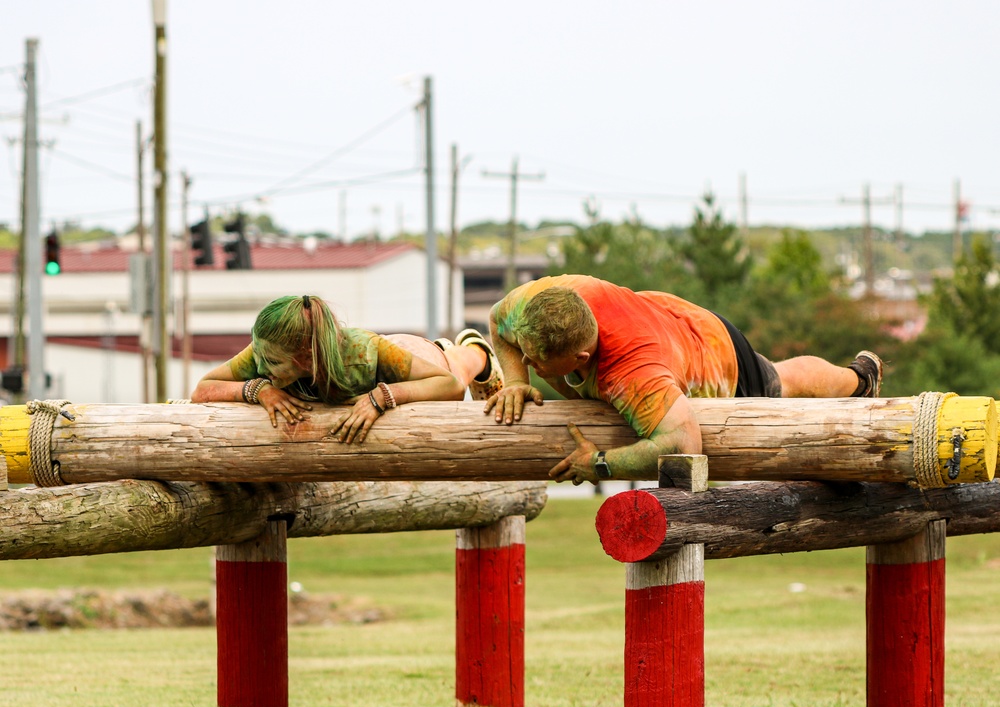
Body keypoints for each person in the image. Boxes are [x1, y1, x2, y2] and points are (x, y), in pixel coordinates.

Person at [484, 274, 882, 484]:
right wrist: (516, 381)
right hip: (658, 316)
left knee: (779, 382)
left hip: (712, 348)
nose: (528, 363)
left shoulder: (632, 374)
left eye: (535, 361)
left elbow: (684, 441)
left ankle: (859, 378)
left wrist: (600, 464)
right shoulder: (542, 302)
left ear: (581, 357)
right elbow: (498, 325)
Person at [192, 294, 502, 443]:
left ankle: (477, 350)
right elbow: (202, 390)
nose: (260, 366)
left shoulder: (364, 352)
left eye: (271, 363)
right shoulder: (265, 350)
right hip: (372, 368)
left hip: (407, 356)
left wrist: (381, 397)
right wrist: (259, 389)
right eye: (258, 354)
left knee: (457, 366)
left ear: (306, 357)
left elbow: (449, 387)